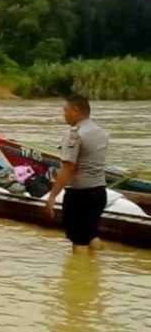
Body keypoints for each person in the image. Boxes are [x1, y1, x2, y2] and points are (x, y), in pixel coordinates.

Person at [45, 95, 108, 253]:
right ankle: (95, 270)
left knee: (79, 240)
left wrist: (52, 196)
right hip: (100, 192)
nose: (64, 114)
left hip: (80, 195)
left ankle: (79, 275)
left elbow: (68, 168)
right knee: (91, 234)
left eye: (65, 110)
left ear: (76, 110)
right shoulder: (101, 133)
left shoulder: (74, 134)